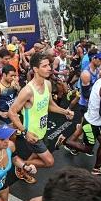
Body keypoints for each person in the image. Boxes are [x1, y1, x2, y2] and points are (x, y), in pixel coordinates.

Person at [9, 53, 74, 184]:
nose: (49, 68)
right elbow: (12, 112)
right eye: (44, 66)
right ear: (35, 69)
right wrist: (25, 132)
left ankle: (23, 168)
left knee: (36, 154)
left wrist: (64, 111)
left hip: (43, 130)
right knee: (49, 162)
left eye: (49, 65)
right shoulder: (28, 91)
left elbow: (50, 105)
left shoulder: (48, 84)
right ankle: (21, 164)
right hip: (32, 135)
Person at [63, 62, 101, 176]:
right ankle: (66, 142)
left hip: (92, 120)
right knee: (90, 149)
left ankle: (96, 167)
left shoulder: (100, 81)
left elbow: (98, 100)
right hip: (94, 124)